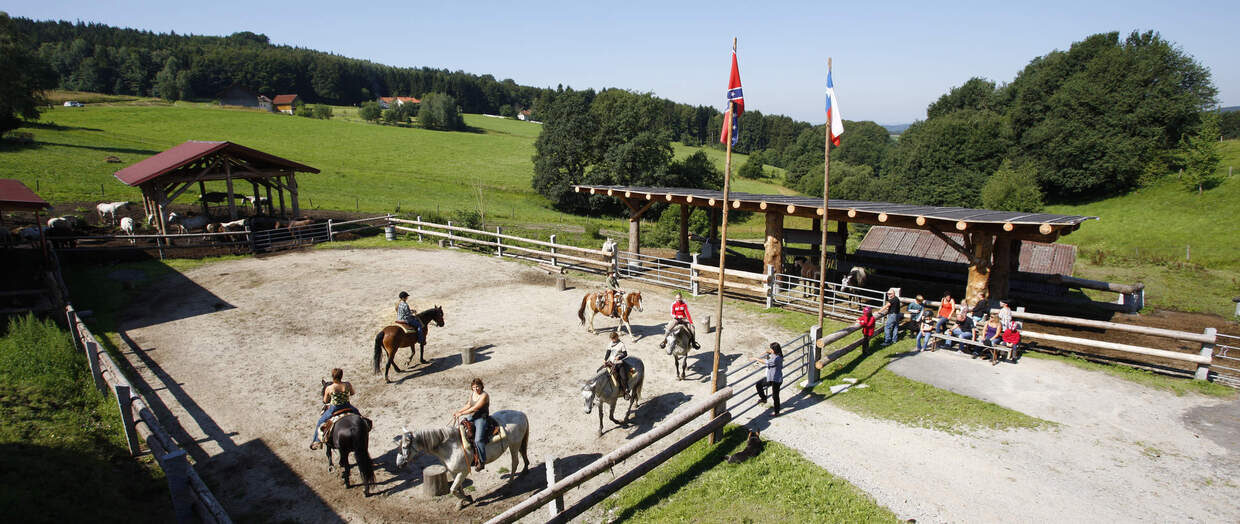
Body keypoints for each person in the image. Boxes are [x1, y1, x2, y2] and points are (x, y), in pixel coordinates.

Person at [311, 368, 357, 450]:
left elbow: (325, 400)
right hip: (347, 406)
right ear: (341, 376)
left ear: (333, 376)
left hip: (335, 408)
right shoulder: (347, 384)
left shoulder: (329, 388)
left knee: (320, 421)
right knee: (358, 414)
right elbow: (352, 393)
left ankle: (317, 440)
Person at [452, 378, 491, 471]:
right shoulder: (473, 394)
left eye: (477, 386)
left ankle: (482, 461)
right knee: (461, 428)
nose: (476, 389)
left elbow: (475, 408)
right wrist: (458, 411)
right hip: (472, 417)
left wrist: (461, 414)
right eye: (474, 387)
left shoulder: (484, 395)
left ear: (481, 386)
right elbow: (469, 405)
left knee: (478, 440)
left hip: (481, 418)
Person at [751, 342, 784, 416]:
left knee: (775, 396)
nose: (770, 350)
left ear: (774, 350)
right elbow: (770, 354)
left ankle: (777, 412)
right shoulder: (777, 354)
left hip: (776, 380)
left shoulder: (776, 359)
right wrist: (767, 351)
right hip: (770, 378)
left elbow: (765, 362)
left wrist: (756, 358)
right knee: (758, 384)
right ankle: (763, 398)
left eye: (771, 349)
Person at [604, 332, 631, 398]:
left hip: (619, 363)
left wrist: (619, 357)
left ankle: (625, 392)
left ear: (617, 337)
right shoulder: (610, 344)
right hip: (611, 362)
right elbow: (608, 352)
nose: (612, 340)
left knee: (623, 377)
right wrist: (605, 359)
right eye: (611, 339)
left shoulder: (621, 344)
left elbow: (625, 354)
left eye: (613, 338)